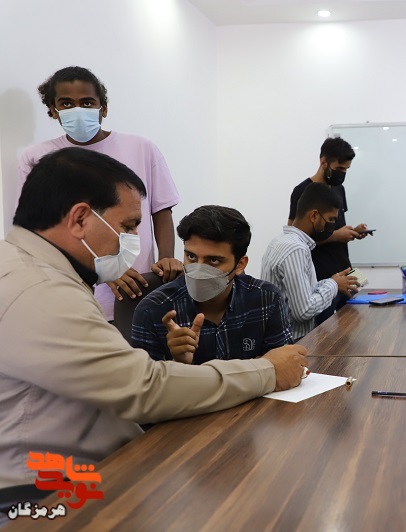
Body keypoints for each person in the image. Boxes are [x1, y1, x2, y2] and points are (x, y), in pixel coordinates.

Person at [0, 148, 307, 490]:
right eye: (127, 226)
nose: (133, 241)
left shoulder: (34, 272)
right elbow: (143, 387)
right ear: (80, 219)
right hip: (48, 491)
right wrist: (267, 371)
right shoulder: (40, 289)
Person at [17, 66, 183, 322]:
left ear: (103, 108)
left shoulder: (141, 148)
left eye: (86, 102)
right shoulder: (37, 157)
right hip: (72, 294)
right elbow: (38, 231)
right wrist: (104, 271)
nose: (77, 110)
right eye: (66, 103)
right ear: (53, 110)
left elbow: (161, 210)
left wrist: (166, 260)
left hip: (138, 289)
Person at [131, 206, 295, 364]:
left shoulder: (266, 299)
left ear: (240, 265)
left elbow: (285, 364)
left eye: (214, 261)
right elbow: (145, 382)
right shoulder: (152, 311)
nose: (199, 270)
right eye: (191, 257)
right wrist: (178, 364)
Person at [288, 137, 370, 324]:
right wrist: (336, 236)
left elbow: (335, 225)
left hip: (345, 269)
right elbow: (295, 236)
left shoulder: (339, 189)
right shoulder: (302, 191)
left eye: (346, 170)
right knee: (324, 332)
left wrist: (353, 231)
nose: (342, 174)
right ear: (323, 161)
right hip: (320, 278)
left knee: (355, 325)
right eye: (339, 169)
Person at [264, 183, 360, 340]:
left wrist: (334, 281)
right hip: (294, 342)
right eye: (331, 219)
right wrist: (334, 285)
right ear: (314, 216)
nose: (332, 226)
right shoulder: (296, 249)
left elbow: (302, 292)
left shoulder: (280, 241)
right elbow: (304, 311)